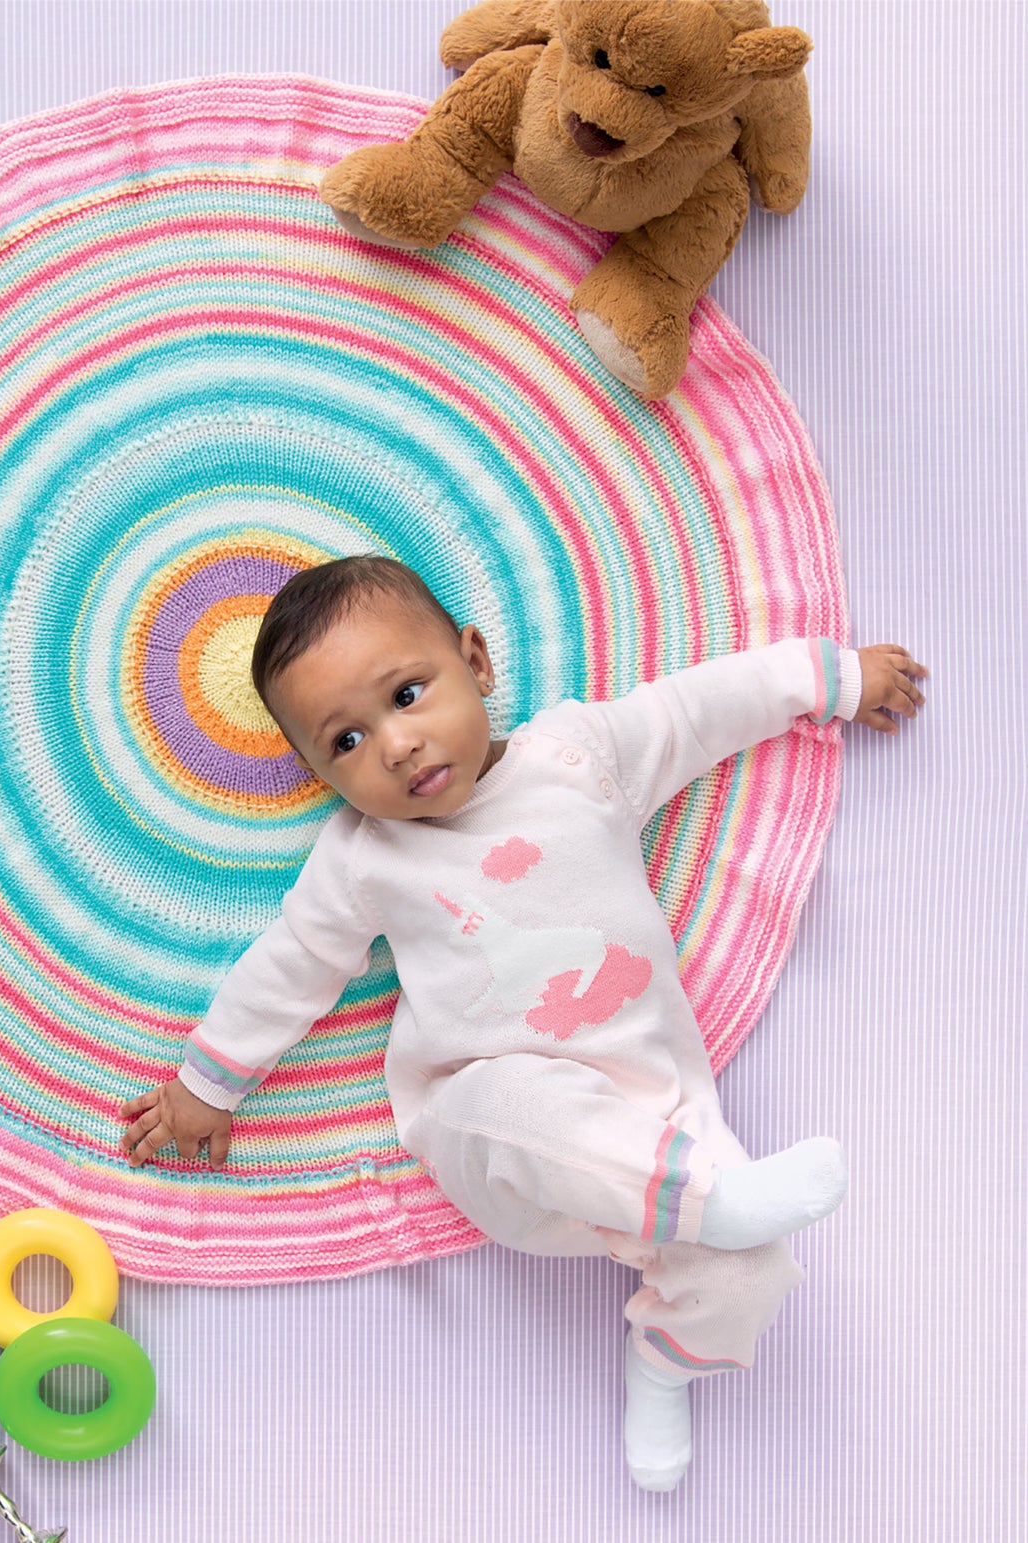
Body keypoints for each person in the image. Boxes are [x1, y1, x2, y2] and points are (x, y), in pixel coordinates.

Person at [119, 555, 927, 1492]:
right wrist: (206, 1085)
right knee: (505, 1096)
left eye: (408, 693)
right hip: (493, 1132)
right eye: (344, 741)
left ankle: (666, 1358)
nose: (395, 745)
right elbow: (291, 963)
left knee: (749, 1270)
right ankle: (711, 1200)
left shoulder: (576, 755)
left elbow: (696, 709)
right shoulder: (364, 856)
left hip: (654, 1120)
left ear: (476, 659)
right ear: (317, 772)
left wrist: (826, 680)